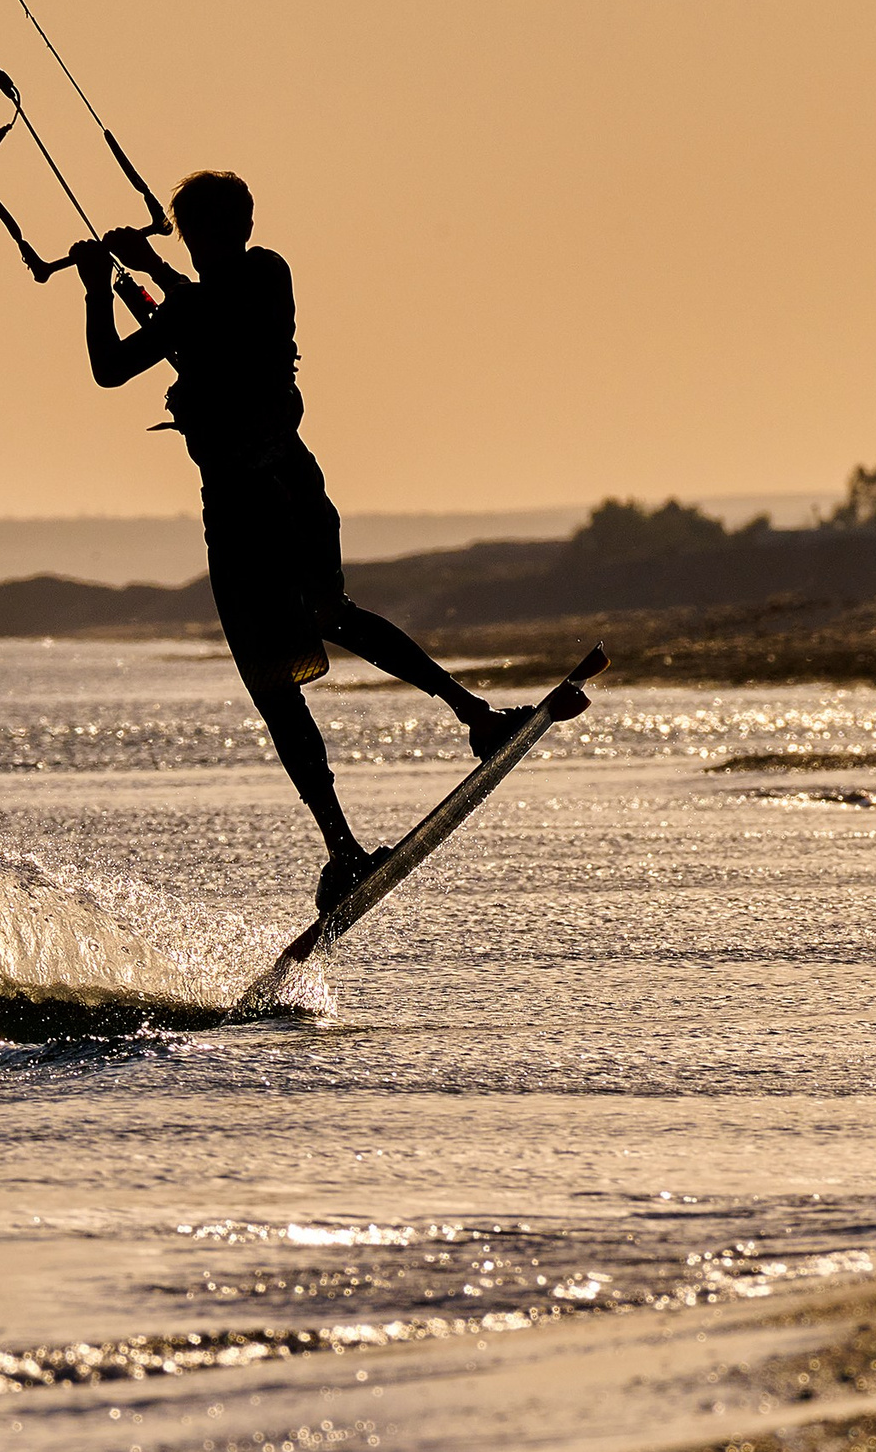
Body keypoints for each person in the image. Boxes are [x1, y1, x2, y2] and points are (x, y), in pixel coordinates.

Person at [70, 171, 532, 912]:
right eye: (195, 231)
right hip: (236, 507)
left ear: (242, 226)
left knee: (332, 613)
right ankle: (343, 846)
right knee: (273, 681)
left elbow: (212, 305)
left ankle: (475, 715)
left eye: (216, 228)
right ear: (188, 233)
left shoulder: (262, 274)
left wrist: (148, 268)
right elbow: (109, 368)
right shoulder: (190, 308)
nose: (207, 241)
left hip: (281, 488)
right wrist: (97, 286)